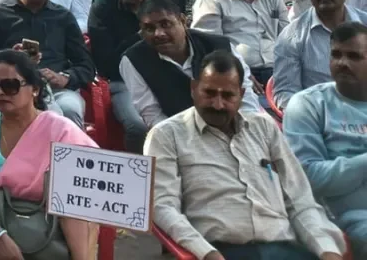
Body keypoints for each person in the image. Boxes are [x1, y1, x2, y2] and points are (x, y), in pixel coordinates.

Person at [145, 50, 345, 260]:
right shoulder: (167, 135)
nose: (218, 104)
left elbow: (299, 199)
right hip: (222, 251)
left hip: (285, 249)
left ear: (241, 95)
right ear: (194, 89)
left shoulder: (264, 127)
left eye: (228, 95)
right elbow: (162, 205)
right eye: (210, 93)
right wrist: (206, 253)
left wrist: (326, 249)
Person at [0, 49, 97, 258]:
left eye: (10, 86)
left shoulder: (61, 131)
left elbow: (79, 200)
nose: (0, 93)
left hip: (52, 230)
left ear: (35, 90)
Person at [284, 22, 367, 255]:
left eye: (354, 56)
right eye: (336, 55)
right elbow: (307, 178)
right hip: (350, 218)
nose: (342, 63)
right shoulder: (308, 105)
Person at [0, 0, 94, 126]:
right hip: (11, 89)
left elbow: (86, 65)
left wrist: (65, 78)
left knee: (69, 111)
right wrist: (10, 58)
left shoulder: (63, 17)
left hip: (58, 90)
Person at [120, 0, 259, 132]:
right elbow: (152, 114)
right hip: (180, 135)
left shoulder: (220, 45)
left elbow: (245, 96)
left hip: (231, 126)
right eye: (149, 28)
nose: (159, 34)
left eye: (165, 24)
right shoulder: (133, 61)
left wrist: (245, 130)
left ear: (183, 21)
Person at [272, 0, 367, 110]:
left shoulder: (364, 24)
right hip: (320, 121)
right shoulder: (292, 36)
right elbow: (286, 93)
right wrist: (311, 119)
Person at [88, 0, 157, 151]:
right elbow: (106, 64)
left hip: (160, 78)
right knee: (138, 126)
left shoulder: (159, 9)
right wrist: (141, 36)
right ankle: (134, 177)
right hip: (122, 82)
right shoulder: (103, 9)